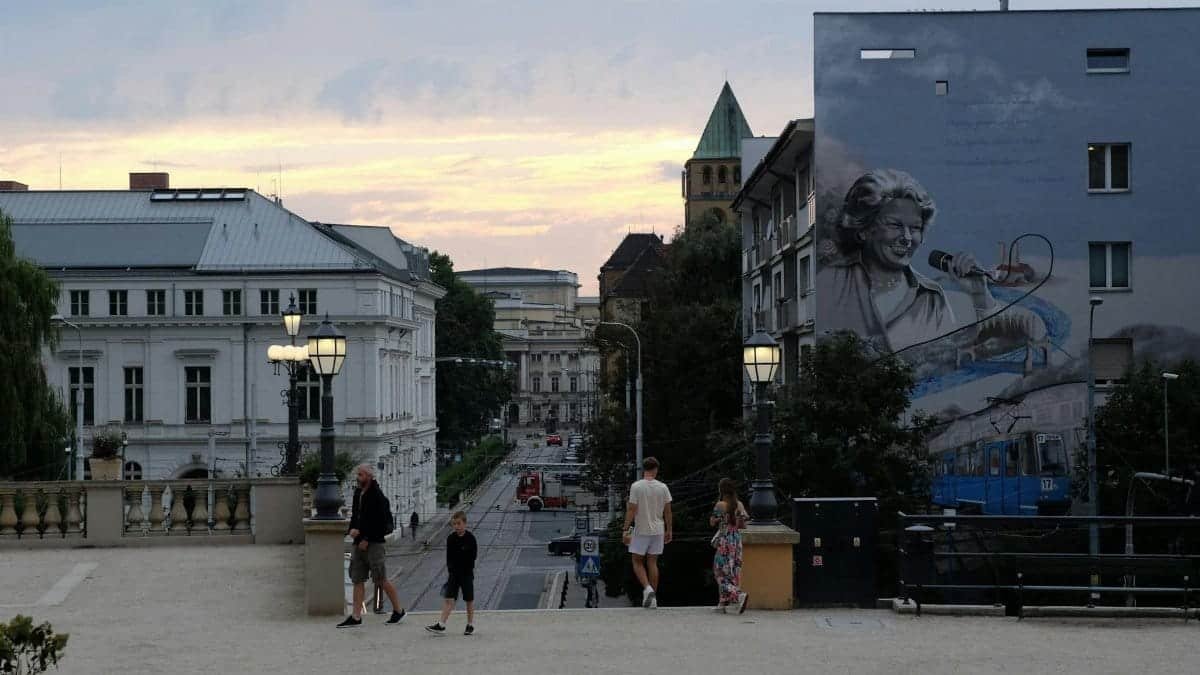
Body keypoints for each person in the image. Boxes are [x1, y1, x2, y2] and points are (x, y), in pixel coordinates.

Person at [817, 169, 994, 354]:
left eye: (916, 228)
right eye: (895, 225)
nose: (907, 238)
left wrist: (980, 295)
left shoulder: (931, 297)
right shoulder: (829, 282)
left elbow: (951, 365)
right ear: (864, 229)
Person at [337, 464, 407, 628]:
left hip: (374, 545)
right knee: (357, 579)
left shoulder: (378, 496)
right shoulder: (357, 493)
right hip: (358, 543)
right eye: (357, 474)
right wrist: (352, 530)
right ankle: (355, 616)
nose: (358, 477)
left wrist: (366, 538)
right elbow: (356, 516)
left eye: (361, 474)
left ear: (369, 476)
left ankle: (398, 610)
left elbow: (382, 524)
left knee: (381, 579)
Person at [622, 456, 672, 609]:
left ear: (644, 469)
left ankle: (647, 588)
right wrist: (669, 530)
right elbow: (668, 512)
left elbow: (632, 509)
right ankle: (653, 599)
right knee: (652, 563)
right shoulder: (663, 487)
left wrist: (625, 529)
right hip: (658, 530)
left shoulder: (636, 486)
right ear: (656, 469)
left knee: (637, 561)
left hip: (641, 529)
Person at [426, 511, 478, 636]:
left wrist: (464, 564)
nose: (456, 526)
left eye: (459, 524)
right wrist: (451, 570)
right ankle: (441, 624)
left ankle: (470, 625)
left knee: (469, 600)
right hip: (454, 574)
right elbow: (449, 557)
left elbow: (473, 556)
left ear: (465, 524)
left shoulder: (470, 538)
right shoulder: (451, 538)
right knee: (449, 599)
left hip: (466, 574)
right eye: (454, 524)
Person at [710, 478, 749, 614]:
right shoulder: (739, 505)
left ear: (721, 490)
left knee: (719, 571)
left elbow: (712, 522)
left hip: (725, 540)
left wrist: (718, 518)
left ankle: (738, 595)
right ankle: (722, 603)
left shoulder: (721, 505)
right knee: (732, 571)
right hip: (736, 540)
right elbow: (743, 525)